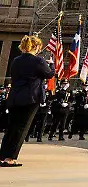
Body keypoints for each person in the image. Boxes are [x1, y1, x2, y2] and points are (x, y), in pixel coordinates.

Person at [0, 35, 54, 167]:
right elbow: (49, 74)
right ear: (36, 47)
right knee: (22, 128)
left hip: (14, 97)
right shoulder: (38, 61)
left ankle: (2, 156)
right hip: (30, 98)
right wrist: (51, 65)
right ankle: (10, 158)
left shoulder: (16, 60)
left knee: (11, 128)